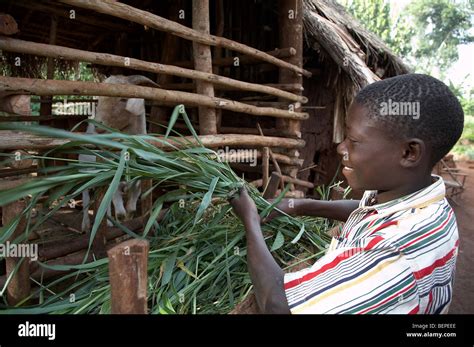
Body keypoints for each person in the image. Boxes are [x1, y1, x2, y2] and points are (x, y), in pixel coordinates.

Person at [229, 74, 464, 314]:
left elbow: (277, 305)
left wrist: (250, 221)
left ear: (409, 153)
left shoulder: (393, 253)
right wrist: (299, 206)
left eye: (353, 140)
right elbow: (367, 211)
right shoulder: (427, 203)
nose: (341, 148)